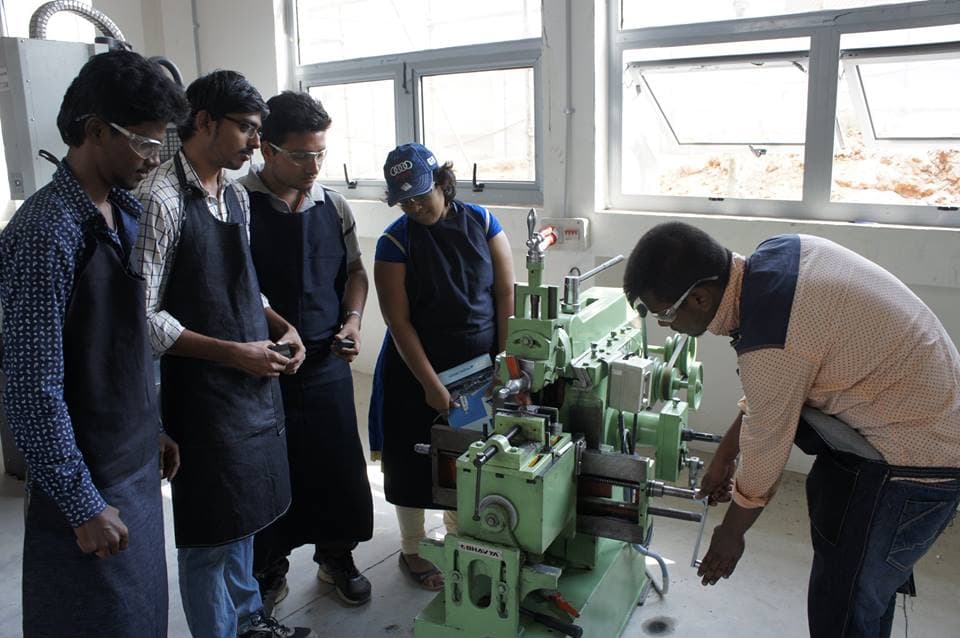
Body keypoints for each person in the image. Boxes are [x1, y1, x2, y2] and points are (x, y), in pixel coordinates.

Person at [623, 222, 960, 638]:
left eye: (666, 314)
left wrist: (731, 534)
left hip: (915, 464)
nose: (664, 326)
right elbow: (774, 392)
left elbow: (768, 442)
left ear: (700, 297)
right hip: (922, 429)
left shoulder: (772, 341)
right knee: (861, 592)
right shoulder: (779, 257)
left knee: (846, 604)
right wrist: (726, 456)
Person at [0, 51, 186, 637]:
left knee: (142, 616)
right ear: (94, 130)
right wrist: (81, 504)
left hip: (130, 463)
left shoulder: (123, 213)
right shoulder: (45, 232)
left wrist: (148, 426)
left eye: (162, 145)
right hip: (85, 480)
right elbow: (31, 390)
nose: (153, 159)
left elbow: (116, 350)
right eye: (143, 144)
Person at [134, 71, 312, 638]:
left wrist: (283, 326)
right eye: (246, 129)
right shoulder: (158, 198)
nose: (256, 144)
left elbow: (243, 288)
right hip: (199, 397)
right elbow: (143, 317)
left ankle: (248, 621)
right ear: (204, 121)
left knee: (246, 519)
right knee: (211, 532)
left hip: (250, 389)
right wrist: (232, 353)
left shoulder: (235, 194)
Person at [242, 91, 374, 609]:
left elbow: (356, 273)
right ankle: (270, 569)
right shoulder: (237, 203)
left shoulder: (332, 203)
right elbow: (233, 286)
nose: (313, 166)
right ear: (266, 149)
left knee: (337, 466)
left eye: (321, 153)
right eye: (300, 155)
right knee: (271, 471)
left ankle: (336, 557)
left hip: (325, 362)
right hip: (261, 367)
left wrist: (354, 321)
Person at [369, 143, 514, 590]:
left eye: (421, 194)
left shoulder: (484, 223)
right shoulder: (394, 243)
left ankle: (459, 537)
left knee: (466, 455)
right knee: (413, 461)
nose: (415, 206)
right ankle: (413, 549)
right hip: (417, 371)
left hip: (475, 370)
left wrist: (505, 361)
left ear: (442, 183)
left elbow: (504, 295)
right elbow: (398, 321)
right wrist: (430, 384)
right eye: (405, 200)